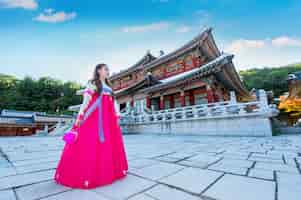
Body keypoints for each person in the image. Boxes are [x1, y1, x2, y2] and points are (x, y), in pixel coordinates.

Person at [54, 63, 128, 189]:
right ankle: (88, 175)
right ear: (99, 70)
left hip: (108, 119)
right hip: (94, 117)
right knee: (90, 142)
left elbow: (114, 102)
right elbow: (86, 101)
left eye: (108, 69)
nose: (108, 71)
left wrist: (117, 114)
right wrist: (80, 116)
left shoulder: (109, 86)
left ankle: (108, 171)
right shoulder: (92, 83)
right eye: (105, 69)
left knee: (108, 143)